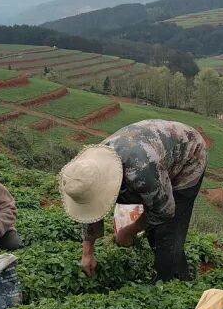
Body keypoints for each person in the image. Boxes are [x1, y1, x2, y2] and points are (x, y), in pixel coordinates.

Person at [59, 119, 207, 282]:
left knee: (168, 230)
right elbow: (90, 206)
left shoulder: (140, 172)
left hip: (188, 155)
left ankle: (171, 284)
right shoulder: (89, 169)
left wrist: (130, 230)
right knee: (154, 223)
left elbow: (164, 211)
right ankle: (172, 267)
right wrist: (87, 253)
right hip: (152, 155)